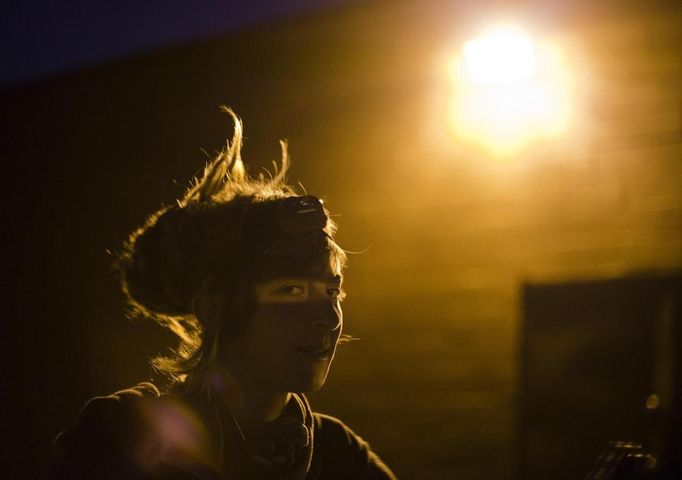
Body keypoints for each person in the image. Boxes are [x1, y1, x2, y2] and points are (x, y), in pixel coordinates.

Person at [50, 108, 396, 480]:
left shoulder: (338, 452)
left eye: (332, 291)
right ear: (215, 309)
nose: (327, 317)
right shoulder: (123, 437)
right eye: (291, 290)